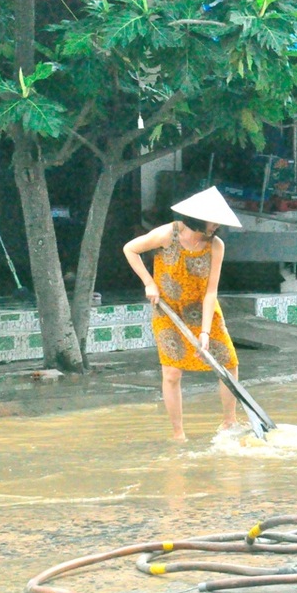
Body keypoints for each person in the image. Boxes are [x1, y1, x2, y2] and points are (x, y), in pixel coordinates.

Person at [123, 187, 242, 441]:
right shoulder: (168, 234)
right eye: (213, 220)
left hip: (202, 310)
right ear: (198, 218)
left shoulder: (215, 246)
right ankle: (178, 433)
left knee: (228, 363)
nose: (216, 226)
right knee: (172, 373)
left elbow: (211, 293)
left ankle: (229, 422)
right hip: (168, 311)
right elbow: (130, 249)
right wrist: (149, 282)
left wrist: (206, 332)